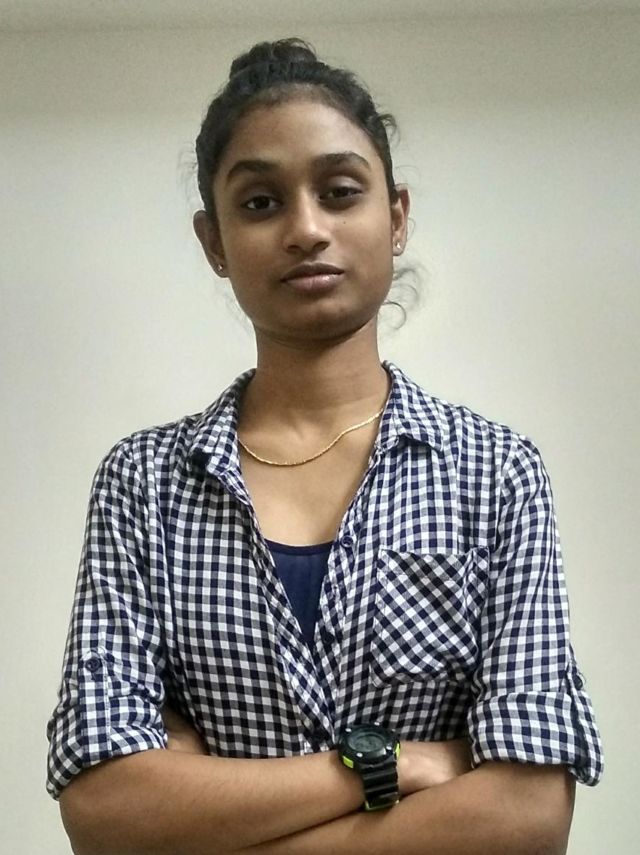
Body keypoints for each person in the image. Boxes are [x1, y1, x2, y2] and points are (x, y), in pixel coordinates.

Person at [47, 38, 603, 855]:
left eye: (340, 192)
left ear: (396, 216)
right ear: (213, 241)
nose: (306, 229)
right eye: (260, 202)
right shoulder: (144, 484)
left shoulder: (493, 472)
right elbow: (105, 811)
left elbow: (527, 816)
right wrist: (398, 764)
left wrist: (206, 812)